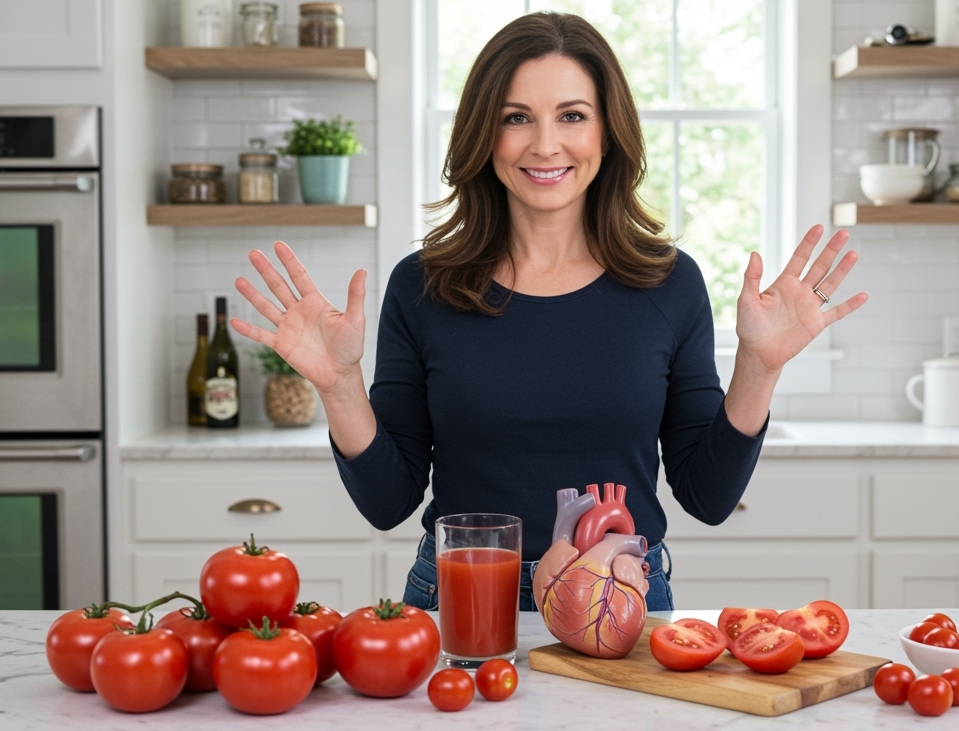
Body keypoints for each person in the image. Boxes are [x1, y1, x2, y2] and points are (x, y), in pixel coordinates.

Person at [231, 12, 866, 611]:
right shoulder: (422, 286)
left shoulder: (669, 284)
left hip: (622, 592)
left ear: (607, 131)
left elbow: (708, 497)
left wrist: (758, 366)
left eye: (571, 115)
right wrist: (339, 385)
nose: (545, 144)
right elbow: (388, 502)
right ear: (485, 132)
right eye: (516, 117)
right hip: (463, 591)